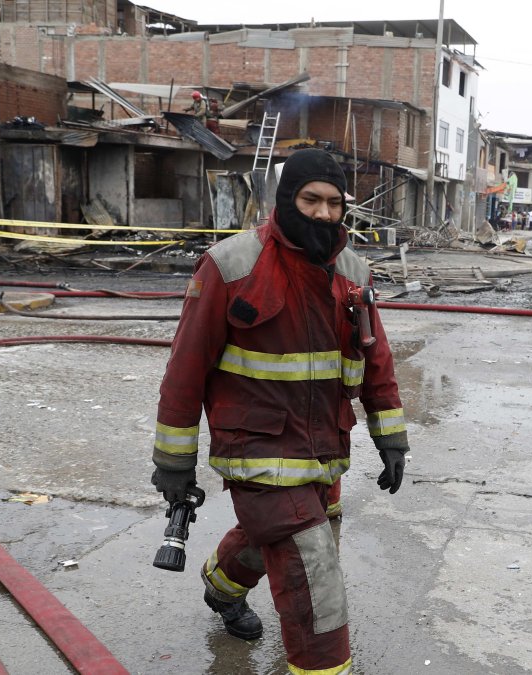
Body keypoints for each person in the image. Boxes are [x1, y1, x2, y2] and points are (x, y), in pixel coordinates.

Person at [149, 148, 409, 674]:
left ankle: (220, 586)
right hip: (257, 451)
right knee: (313, 573)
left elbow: (375, 357)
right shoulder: (230, 265)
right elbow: (185, 372)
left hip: (324, 450)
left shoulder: (353, 271)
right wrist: (174, 463)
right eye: (310, 199)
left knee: (286, 535)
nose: (323, 213)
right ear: (285, 199)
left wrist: (391, 437)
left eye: (334, 203)